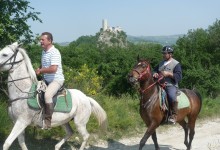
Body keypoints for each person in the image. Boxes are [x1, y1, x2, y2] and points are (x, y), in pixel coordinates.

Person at [35, 32, 65, 129]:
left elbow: (53, 69)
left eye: (43, 40)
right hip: (46, 79)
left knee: (48, 95)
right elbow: (44, 66)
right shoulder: (44, 52)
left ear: (50, 41)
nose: (40, 41)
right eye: (40, 40)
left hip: (56, 80)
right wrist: (38, 69)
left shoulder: (55, 52)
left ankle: (47, 122)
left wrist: (41, 70)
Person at [153, 46, 182, 124]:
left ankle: (174, 116)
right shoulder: (161, 63)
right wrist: (155, 73)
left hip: (170, 85)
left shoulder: (176, 64)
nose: (163, 55)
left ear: (170, 54)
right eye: (163, 53)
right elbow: (154, 70)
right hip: (159, 84)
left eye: (165, 53)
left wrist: (169, 74)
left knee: (172, 96)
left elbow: (178, 77)